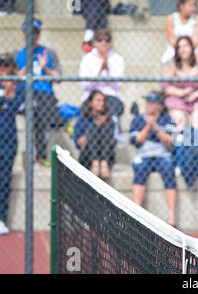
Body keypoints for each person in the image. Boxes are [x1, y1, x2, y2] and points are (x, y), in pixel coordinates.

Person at [161, 36, 198, 190]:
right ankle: (181, 161)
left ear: (192, 48)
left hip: (195, 98)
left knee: (197, 125)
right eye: (180, 46)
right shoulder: (171, 64)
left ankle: (192, 163)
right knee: (181, 123)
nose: (183, 49)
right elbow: (165, 86)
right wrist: (181, 92)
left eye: (186, 46)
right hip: (177, 99)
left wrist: (196, 95)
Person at [15, 18, 66, 167]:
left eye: (36, 32)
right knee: (40, 110)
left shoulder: (48, 52)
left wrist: (45, 69)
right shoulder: (17, 53)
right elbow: (10, 79)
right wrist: (23, 70)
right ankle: (60, 120)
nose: (33, 35)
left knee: (39, 109)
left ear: (39, 34)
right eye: (29, 32)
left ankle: (36, 156)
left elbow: (59, 78)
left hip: (45, 94)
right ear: (23, 33)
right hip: (25, 94)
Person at [129, 92, 178, 227]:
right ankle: (136, 213)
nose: (148, 105)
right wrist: (148, 126)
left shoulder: (167, 118)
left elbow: (169, 141)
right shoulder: (138, 119)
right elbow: (137, 141)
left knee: (169, 172)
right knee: (139, 171)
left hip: (162, 154)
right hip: (144, 154)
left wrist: (156, 126)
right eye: (147, 102)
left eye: (152, 103)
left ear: (159, 106)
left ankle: (171, 217)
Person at [0, 53, 24, 235]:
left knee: (4, 180)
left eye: (7, 66)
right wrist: (4, 93)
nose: (3, 69)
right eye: (1, 65)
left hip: (8, 141)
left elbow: (16, 107)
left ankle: (1, 219)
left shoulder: (19, 87)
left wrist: (9, 91)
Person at [79, 29, 125, 118]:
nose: (103, 43)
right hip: (91, 96)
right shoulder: (87, 59)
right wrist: (99, 72)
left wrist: (108, 71)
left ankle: (112, 129)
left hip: (111, 96)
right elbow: (84, 85)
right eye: (100, 40)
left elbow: (118, 86)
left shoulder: (118, 59)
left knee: (113, 109)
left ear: (110, 43)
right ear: (95, 42)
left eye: (107, 40)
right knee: (87, 109)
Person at [74, 90, 119, 180]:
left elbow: (114, 142)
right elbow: (79, 143)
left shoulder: (109, 119)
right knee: (94, 128)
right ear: (91, 102)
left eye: (103, 101)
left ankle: (103, 163)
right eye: (98, 100)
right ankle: (95, 162)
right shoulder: (82, 119)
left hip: (106, 155)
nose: (101, 103)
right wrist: (95, 126)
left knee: (105, 127)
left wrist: (104, 126)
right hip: (87, 156)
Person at [161, 0, 198, 64]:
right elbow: (171, 39)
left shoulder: (197, 19)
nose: (193, 8)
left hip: (191, 49)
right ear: (181, 6)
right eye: (190, 5)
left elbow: (195, 41)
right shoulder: (171, 18)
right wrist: (181, 49)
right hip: (174, 48)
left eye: (194, 5)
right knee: (168, 60)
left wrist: (188, 50)